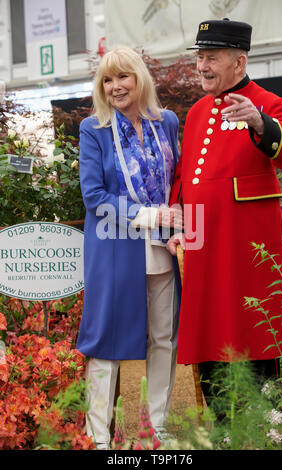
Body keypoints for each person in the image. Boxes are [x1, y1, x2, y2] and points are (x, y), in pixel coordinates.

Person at [167, 19, 282, 405]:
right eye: (200, 58)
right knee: (210, 330)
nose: (202, 66)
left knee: (253, 329)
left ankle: (259, 423)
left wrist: (259, 121)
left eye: (212, 58)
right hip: (204, 247)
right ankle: (221, 423)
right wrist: (177, 216)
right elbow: (184, 174)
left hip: (247, 250)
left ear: (239, 63)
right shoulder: (195, 114)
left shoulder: (268, 103)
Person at [76, 46, 182, 449]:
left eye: (123, 77)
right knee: (106, 342)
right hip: (114, 249)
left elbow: (178, 182)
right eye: (107, 79)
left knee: (163, 339)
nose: (115, 86)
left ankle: (156, 430)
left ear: (140, 79)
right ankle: (98, 438)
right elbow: (95, 197)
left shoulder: (167, 122)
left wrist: (177, 223)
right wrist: (154, 215)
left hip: (163, 249)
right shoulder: (94, 129)